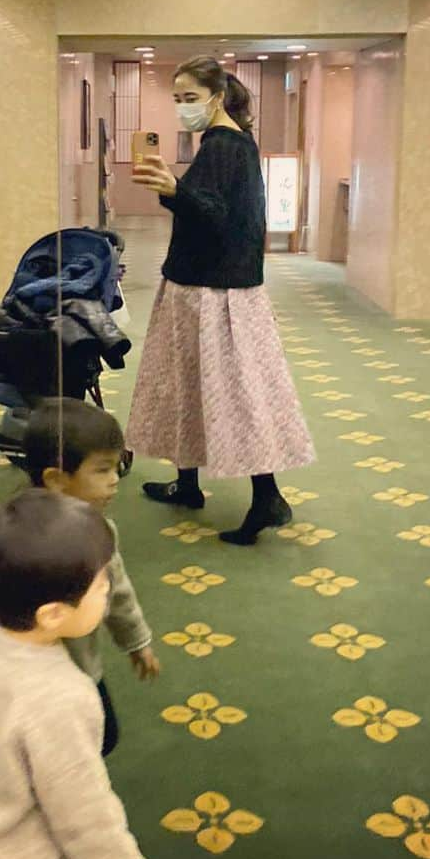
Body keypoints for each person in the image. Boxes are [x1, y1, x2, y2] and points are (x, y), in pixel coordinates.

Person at [128, 55, 315, 545]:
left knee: (232, 393)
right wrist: (176, 191)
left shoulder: (224, 145)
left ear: (216, 97)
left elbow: (217, 216)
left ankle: (267, 495)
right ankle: (189, 483)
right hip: (209, 285)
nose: (182, 108)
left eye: (190, 99)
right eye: (177, 100)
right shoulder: (228, 143)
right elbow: (214, 210)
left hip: (213, 292)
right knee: (190, 384)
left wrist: (175, 190)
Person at [0, 490, 152, 859]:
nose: (110, 588)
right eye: (102, 584)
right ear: (53, 614)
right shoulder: (63, 697)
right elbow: (84, 815)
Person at [20, 397, 159, 754]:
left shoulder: (101, 531)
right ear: (56, 479)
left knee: (100, 738)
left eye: (116, 469)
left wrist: (137, 641)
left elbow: (119, 592)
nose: (115, 481)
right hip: (25, 676)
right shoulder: (15, 535)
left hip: (82, 668)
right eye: (102, 470)